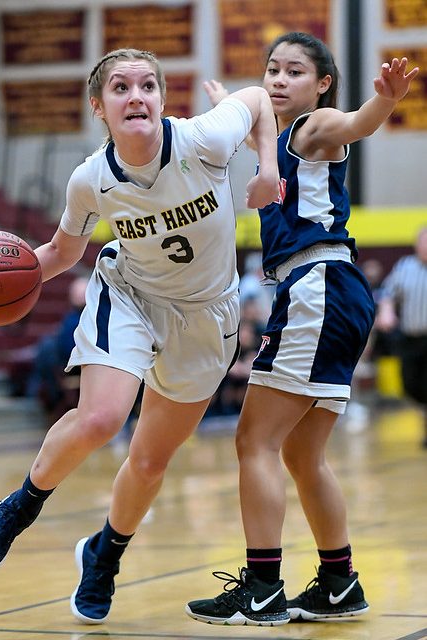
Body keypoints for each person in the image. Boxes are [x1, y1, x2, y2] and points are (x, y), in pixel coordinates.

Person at [0, 48, 279, 624]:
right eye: (122, 88)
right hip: (130, 295)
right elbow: (59, 253)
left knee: (150, 462)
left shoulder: (203, 138)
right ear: (99, 107)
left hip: (207, 316)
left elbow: (254, 100)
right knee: (102, 419)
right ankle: (22, 505)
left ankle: (104, 555)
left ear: (160, 98)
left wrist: (268, 167)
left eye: (148, 85)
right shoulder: (91, 180)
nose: (137, 96)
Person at [185, 32, 419, 626]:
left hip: (316, 286)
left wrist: (384, 105)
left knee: (253, 442)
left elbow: (353, 126)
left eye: (294, 71)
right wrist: (221, 104)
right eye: (271, 69)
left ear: (321, 85)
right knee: (301, 453)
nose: (278, 79)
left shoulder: (312, 129)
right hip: (330, 292)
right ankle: (339, 583)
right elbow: (248, 131)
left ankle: (262, 586)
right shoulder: (272, 142)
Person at [375, 227, 427, 448]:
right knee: (410, 385)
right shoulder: (405, 266)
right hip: (411, 338)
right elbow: (387, 293)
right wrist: (386, 311)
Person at [25, 274, 88, 416]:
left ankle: (35, 388)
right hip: (68, 365)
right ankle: (36, 388)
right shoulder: (72, 318)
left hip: (74, 366)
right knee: (46, 346)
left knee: (47, 346)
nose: (78, 297)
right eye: (76, 294)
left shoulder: (82, 319)